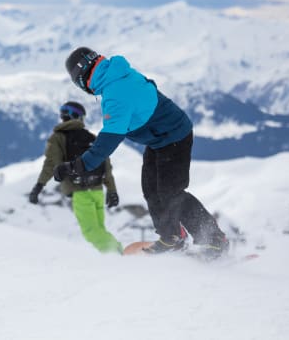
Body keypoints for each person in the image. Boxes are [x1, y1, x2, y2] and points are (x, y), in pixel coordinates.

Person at [53, 47, 229, 259]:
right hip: (159, 139)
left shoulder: (114, 93)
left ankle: (215, 241)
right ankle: (171, 237)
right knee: (152, 189)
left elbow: (108, 140)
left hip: (174, 136)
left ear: (81, 81)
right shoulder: (115, 73)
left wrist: (75, 167)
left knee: (172, 193)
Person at [29, 101, 123, 254]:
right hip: (98, 190)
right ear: (81, 118)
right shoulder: (91, 137)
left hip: (80, 191)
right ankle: (118, 253)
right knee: (100, 230)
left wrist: (39, 186)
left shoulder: (58, 137)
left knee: (91, 232)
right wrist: (112, 190)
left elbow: (51, 164)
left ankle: (119, 256)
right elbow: (106, 166)